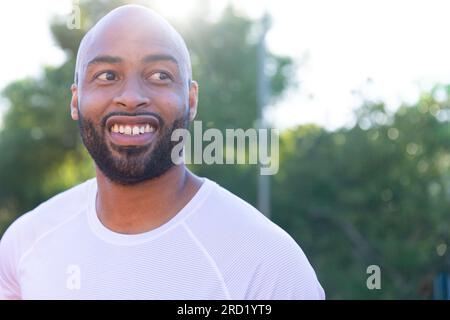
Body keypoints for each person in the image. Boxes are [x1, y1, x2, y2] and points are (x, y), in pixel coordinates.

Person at [0, 5, 324, 300]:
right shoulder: (25, 246)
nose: (131, 97)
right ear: (75, 100)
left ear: (191, 99)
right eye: (107, 76)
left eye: (159, 75)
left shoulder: (267, 266)